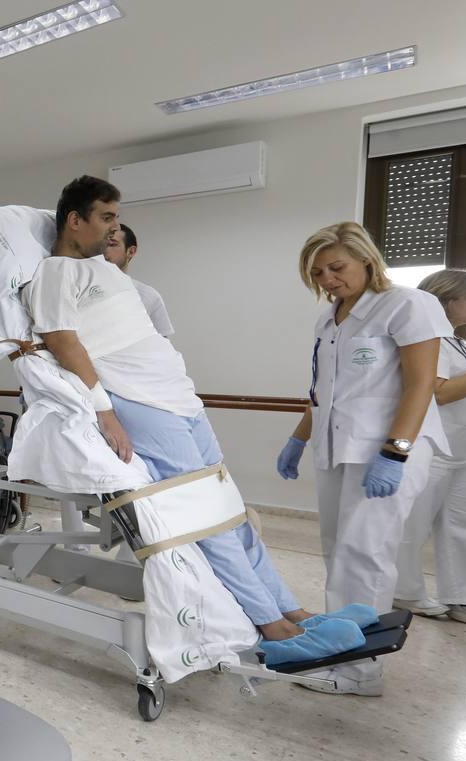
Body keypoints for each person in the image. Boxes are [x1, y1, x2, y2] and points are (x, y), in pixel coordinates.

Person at [28, 176, 363, 668]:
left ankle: (290, 608)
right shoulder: (57, 272)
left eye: (116, 219)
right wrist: (104, 410)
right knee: (205, 520)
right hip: (142, 403)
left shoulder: (109, 272)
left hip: (180, 399)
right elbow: (63, 342)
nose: (113, 228)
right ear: (74, 220)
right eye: (106, 217)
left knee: (230, 509)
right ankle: (270, 626)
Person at [277, 221, 449, 694]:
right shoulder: (329, 318)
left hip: (388, 449)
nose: (327, 279)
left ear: (366, 260)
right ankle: (340, 648)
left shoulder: (408, 304)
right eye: (317, 273)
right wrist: (298, 438)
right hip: (338, 449)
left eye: (336, 267)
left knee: (366, 556)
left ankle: (360, 670)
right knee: (339, 551)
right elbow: (323, 394)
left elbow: (420, 384)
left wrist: (396, 452)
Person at [393, 269, 466, 631]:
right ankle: (404, 590)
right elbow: (437, 392)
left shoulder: (457, 342)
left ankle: (465, 598)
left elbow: (458, 392)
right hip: (432, 450)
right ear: (449, 300)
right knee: (414, 524)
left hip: (462, 452)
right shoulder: (428, 340)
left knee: (464, 526)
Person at [103, 223, 175, 338]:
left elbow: (161, 345)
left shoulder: (149, 297)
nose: (103, 251)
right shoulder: (79, 291)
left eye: (111, 244)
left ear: (131, 251)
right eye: (100, 245)